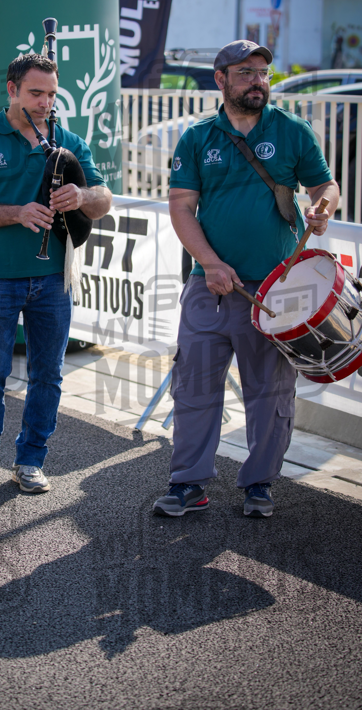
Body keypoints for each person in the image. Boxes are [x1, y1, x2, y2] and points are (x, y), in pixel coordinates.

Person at [153, 40, 340, 519]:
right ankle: (189, 484)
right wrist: (211, 264)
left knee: (270, 394)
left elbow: (324, 184)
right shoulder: (197, 137)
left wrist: (324, 206)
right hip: (208, 286)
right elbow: (181, 207)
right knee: (194, 387)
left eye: (264, 72)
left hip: (277, 289)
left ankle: (259, 483)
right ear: (220, 79)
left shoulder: (293, 131)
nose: (258, 80)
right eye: (246, 72)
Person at [0, 52, 112, 494]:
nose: (45, 103)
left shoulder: (69, 140)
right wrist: (16, 213)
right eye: (35, 93)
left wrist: (81, 195)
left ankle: (31, 460)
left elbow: (104, 200)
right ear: (12, 89)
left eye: (51, 94)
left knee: (49, 373)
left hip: (53, 281)